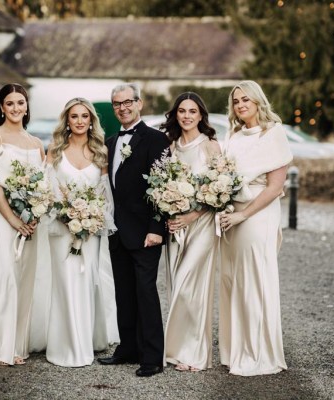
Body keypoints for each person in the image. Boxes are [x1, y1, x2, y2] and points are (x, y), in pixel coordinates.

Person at [218, 80, 292, 376]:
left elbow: (274, 187)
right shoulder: (233, 135)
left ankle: (258, 352)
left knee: (253, 281)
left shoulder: (274, 133)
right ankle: (235, 349)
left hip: (256, 215)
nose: (240, 105)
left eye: (246, 99)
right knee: (232, 280)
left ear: (259, 101)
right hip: (231, 214)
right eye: (236, 101)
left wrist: (243, 215)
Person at [98, 83, 170, 377]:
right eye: (117, 103)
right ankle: (128, 348)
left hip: (145, 232)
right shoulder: (111, 141)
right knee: (124, 292)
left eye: (128, 102)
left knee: (146, 293)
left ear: (139, 104)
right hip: (118, 230)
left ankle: (152, 357)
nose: (122, 107)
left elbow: (164, 187)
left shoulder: (156, 140)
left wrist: (156, 228)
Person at [44, 97, 116, 367]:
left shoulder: (101, 152)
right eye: (74, 116)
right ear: (67, 120)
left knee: (87, 282)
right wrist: (65, 214)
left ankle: (84, 342)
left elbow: (105, 193)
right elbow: (48, 191)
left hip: (90, 230)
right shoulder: (54, 150)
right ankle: (65, 346)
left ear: (91, 121)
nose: (80, 121)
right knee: (65, 283)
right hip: (62, 228)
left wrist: (92, 218)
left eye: (85, 116)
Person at [0, 83, 45, 367]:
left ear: (27, 107)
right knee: (3, 275)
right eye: (10, 103)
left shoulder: (36, 143)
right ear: (1, 108)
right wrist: (12, 219)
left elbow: (43, 187)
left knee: (23, 278)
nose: (16, 108)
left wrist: (34, 214)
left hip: (28, 220)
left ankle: (17, 344)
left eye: (21, 103)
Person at [161, 92, 221, 372]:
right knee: (176, 287)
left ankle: (196, 354)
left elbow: (220, 193)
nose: (186, 116)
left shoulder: (210, 147)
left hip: (201, 224)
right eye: (182, 111)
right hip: (175, 226)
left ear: (201, 115)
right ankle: (177, 350)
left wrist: (192, 215)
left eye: (192, 111)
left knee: (192, 286)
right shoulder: (170, 147)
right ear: (176, 114)